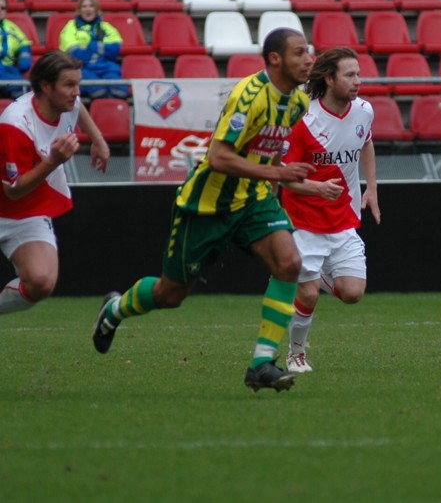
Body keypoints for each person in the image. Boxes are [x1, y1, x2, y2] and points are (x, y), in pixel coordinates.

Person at [91, 28, 316, 394]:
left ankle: (261, 363)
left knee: (290, 263)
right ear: (275, 59)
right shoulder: (250, 96)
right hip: (207, 204)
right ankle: (114, 310)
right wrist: (277, 172)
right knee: (171, 294)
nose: (308, 59)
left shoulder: (298, 103)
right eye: (299, 53)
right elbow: (219, 157)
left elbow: (271, 150)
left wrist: (274, 192)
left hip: (255, 198)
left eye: (309, 52)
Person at [281, 47, 381, 374]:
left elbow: (366, 143)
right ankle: (296, 355)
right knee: (308, 296)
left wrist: (372, 189)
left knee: (352, 294)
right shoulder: (303, 120)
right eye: (350, 75)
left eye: (359, 74)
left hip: (342, 221)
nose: (358, 81)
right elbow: (283, 178)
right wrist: (315, 188)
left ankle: (322, 274)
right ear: (329, 78)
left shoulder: (364, 110)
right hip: (303, 223)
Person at [0, 51, 110, 319]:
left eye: (78, 84)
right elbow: (12, 191)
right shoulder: (15, 125)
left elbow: (79, 107)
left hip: (28, 212)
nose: (77, 92)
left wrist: (98, 139)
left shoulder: (67, 103)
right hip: (9, 201)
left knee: (41, 282)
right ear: (46, 87)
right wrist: (53, 161)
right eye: (69, 85)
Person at [59, 0, 127, 101]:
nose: (88, 9)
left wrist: (91, 46)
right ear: (79, 10)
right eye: (84, 6)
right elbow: (74, 53)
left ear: (96, 9)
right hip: (83, 68)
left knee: (119, 91)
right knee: (98, 91)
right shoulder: (71, 27)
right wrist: (101, 50)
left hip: (107, 68)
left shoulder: (106, 27)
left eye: (91, 6)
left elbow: (114, 49)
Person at [0, 0, 32, 99]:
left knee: (24, 87)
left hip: (8, 69)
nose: (0, 10)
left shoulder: (11, 27)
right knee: (19, 86)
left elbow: (23, 43)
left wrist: (24, 58)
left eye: (3, 8)